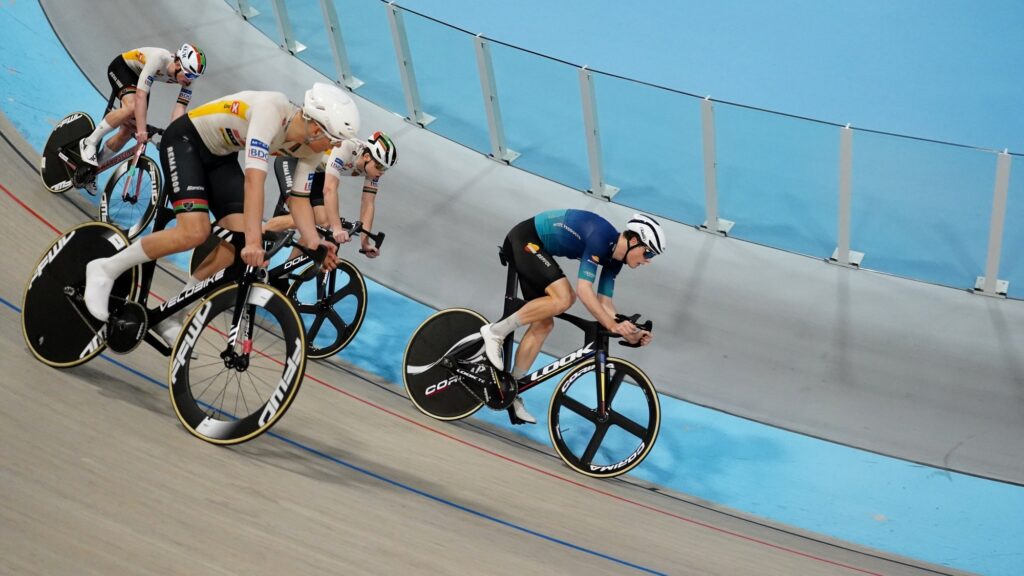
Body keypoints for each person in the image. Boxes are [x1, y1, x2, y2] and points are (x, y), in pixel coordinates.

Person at [82, 82, 361, 345]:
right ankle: (104, 269)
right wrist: (254, 242)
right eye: (334, 140)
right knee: (195, 232)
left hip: (220, 157)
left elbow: (298, 199)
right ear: (315, 128)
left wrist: (314, 243)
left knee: (235, 242)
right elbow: (254, 181)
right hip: (185, 140)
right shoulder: (272, 111)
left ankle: (172, 315)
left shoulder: (310, 149)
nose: (335, 148)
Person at [478, 209, 664, 424]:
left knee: (543, 325)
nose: (648, 260)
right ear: (633, 240)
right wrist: (612, 325)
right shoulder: (601, 237)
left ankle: (510, 389)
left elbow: (605, 304)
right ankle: (495, 332)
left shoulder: (615, 261)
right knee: (565, 297)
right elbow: (585, 291)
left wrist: (630, 331)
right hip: (526, 239)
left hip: (538, 251)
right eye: (648, 253)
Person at [271, 130, 398, 258]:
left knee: (323, 222)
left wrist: (365, 243)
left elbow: (368, 203)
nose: (382, 172)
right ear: (366, 157)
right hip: (294, 161)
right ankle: (256, 235)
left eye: (385, 169)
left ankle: (284, 273)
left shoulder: (373, 169)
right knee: (302, 217)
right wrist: (337, 228)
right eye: (380, 167)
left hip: (315, 171)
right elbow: (329, 189)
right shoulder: (347, 148)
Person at [80, 44, 207, 166]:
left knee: (128, 130)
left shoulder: (190, 80)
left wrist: (172, 137)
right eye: (189, 74)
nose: (190, 80)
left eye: (195, 76)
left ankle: (93, 169)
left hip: (141, 78)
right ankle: (89, 141)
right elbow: (141, 95)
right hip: (123, 68)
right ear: (178, 64)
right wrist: (141, 131)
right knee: (132, 108)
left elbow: (180, 108)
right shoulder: (159, 58)